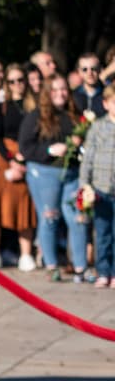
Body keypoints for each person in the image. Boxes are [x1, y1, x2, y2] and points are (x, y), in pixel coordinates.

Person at [19, 72, 88, 282]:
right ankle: (51, 266)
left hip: (72, 173)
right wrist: (49, 150)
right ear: (48, 93)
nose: (60, 94)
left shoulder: (74, 114)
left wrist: (80, 144)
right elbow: (25, 148)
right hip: (44, 172)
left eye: (64, 89)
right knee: (50, 217)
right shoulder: (36, 116)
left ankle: (81, 267)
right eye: (55, 90)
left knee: (78, 218)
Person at [0, 62, 37, 269]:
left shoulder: (35, 106)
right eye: (11, 81)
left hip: (27, 156)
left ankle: (26, 254)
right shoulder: (0, 106)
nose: (16, 85)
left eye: (20, 80)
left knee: (24, 208)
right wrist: (11, 159)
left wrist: (23, 159)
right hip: (1, 158)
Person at [78, 84, 115, 287]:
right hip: (100, 188)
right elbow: (88, 158)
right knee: (102, 233)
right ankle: (103, 271)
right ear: (106, 104)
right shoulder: (98, 126)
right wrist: (85, 184)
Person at [74, 52, 106, 117]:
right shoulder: (73, 96)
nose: (89, 73)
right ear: (79, 72)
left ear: (100, 69)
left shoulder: (108, 94)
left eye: (93, 68)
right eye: (84, 69)